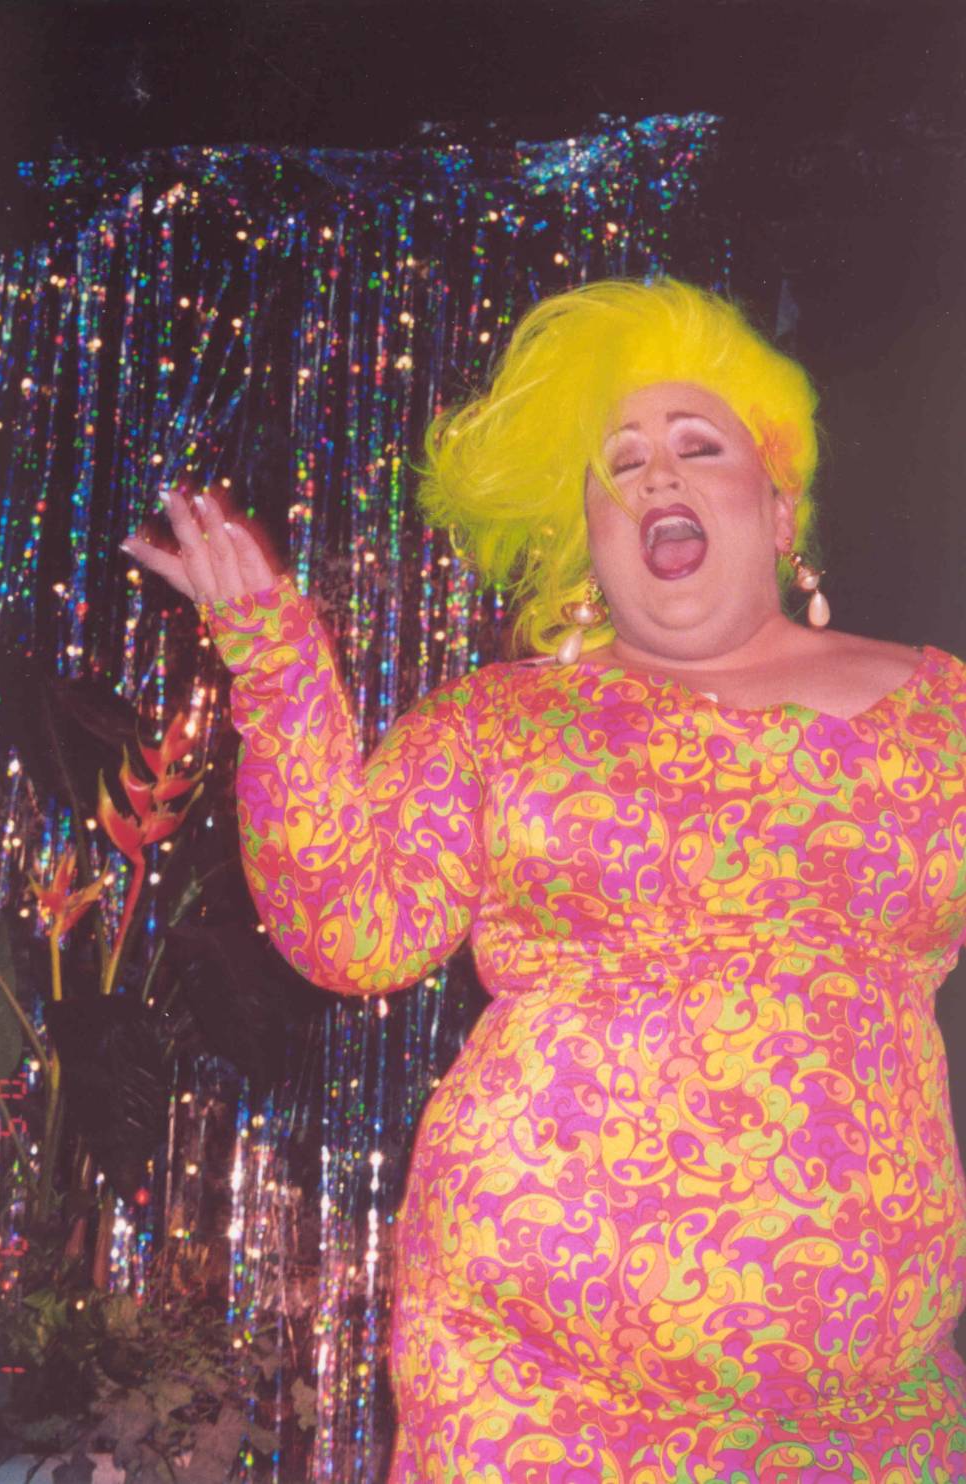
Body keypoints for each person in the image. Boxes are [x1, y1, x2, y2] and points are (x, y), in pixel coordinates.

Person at [122, 278, 966, 1481]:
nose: (656, 476)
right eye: (618, 463)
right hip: (531, 1390)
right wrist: (273, 658)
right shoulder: (497, 723)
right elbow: (348, 930)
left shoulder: (937, 710)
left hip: (865, 1419)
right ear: (588, 533)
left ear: (779, 506)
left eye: (697, 445)